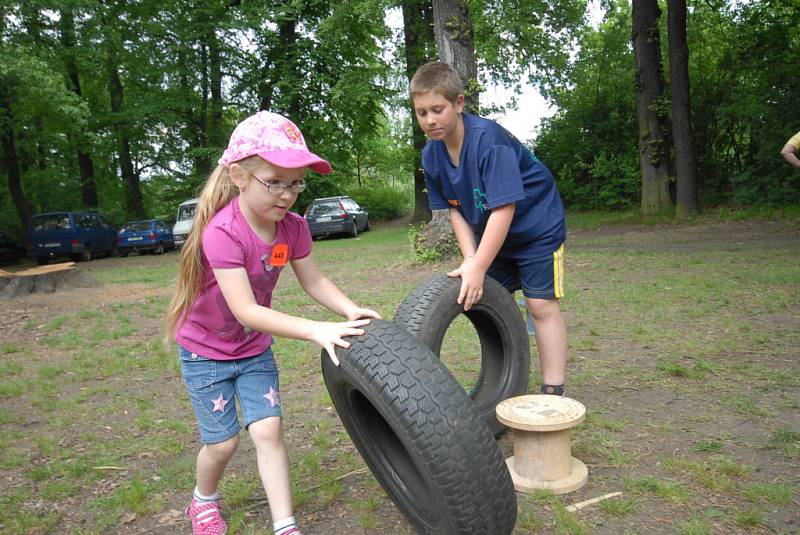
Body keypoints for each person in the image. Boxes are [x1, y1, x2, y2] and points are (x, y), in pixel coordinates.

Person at [164, 111, 381, 535]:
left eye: (296, 183)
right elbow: (245, 310)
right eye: (275, 182)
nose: (287, 195)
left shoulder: (293, 228)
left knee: (268, 430)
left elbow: (314, 280)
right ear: (240, 176)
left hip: (253, 349)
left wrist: (348, 309)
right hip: (204, 352)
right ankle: (202, 501)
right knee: (223, 442)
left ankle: (286, 526)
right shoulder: (222, 232)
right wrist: (315, 330)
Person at [410, 61, 568, 397]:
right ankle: (502, 385)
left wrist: (480, 265)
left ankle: (554, 389)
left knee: (540, 306)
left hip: (536, 229)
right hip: (492, 237)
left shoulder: (489, 141)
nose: (430, 120)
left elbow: (504, 208)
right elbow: (455, 211)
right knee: (486, 301)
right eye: (421, 113)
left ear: (459, 103)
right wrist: (470, 259)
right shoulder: (431, 156)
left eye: (437, 109)